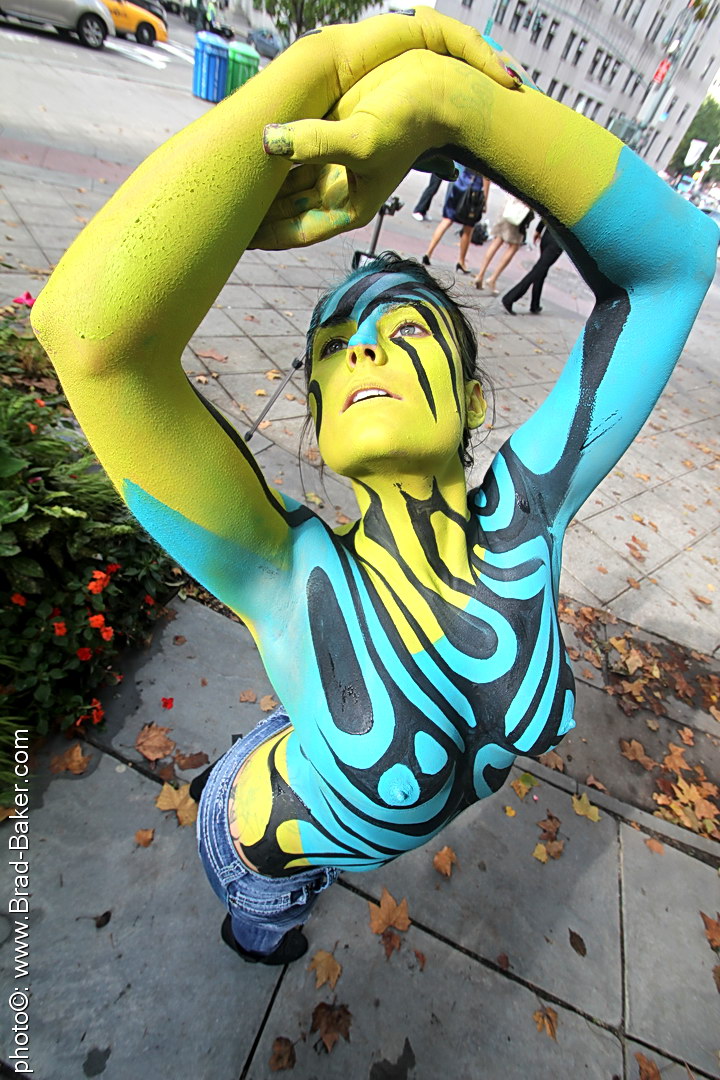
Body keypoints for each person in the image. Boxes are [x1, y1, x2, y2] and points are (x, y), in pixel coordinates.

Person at [31, 9, 717, 967]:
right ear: (318, 417)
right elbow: (91, 341)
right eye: (334, 351)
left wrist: (451, 103)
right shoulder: (286, 572)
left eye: (405, 328)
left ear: (474, 393)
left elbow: (676, 262)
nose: (363, 349)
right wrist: (325, 62)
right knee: (267, 924)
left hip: (334, 786)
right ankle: (258, 924)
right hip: (254, 846)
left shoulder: (527, 518)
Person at [422, 166, 488, 273]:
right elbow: (486, 178)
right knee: (468, 228)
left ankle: (428, 252)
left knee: (447, 220)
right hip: (473, 191)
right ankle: (461, 261)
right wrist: (485, 199)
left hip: (460, 184)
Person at [501, 219, 562, 315]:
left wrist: (539, 229)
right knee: (538, 270)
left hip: (547, 235)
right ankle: (510, 298)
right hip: (558, 241)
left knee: (542, 270)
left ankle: (535, 304)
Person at [473, 196, 532, 294]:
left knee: (497, 239)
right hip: (519, 211)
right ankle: (493, 279)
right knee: (514, 246)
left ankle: (480, 275)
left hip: (508, 205)